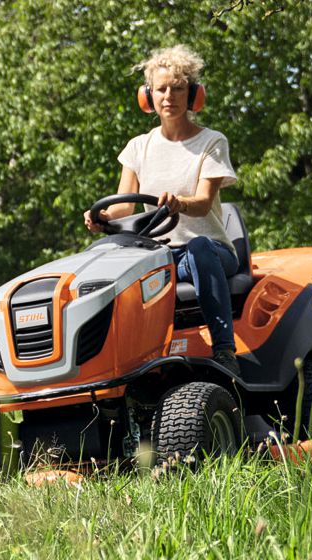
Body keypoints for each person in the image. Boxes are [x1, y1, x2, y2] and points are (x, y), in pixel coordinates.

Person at [84, 45, 241, 372]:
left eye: (178, 88)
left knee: (199, 249)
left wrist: (178, 203)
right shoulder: (137, 148)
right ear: (148, 96)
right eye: (161, 89)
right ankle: (105, 362)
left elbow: (200, 204)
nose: (169, 96)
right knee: (100, 253)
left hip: (208, 249)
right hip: (157, 255)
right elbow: (124, 206)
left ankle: (225, 351)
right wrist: (101, 218)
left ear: (194, 94)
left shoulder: (211, 142)